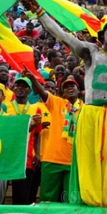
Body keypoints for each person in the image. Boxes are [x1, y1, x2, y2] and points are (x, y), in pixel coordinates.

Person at [27, 0, 107, 208]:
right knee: (88, 160)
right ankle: (88, 202)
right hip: (90, 114)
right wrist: (40, 13)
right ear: (102, 33)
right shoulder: (90, 52)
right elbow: (62, 36)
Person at [22, 69, 82, 203]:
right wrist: (32, 78)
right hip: (52, 160)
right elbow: (42, 92)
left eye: (73, 86)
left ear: (79, 90)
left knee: (70, 200)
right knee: (48, 199)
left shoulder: (85, 108)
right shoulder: (56, 103)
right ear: (62, 92)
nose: (70, 88)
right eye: (66, 87)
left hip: (74, 162)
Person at [7, 77, 49, 205]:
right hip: (8, 156)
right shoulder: (5, 107)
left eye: (24, 87)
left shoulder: (35, 109)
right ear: (13, 88)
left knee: (23, 195)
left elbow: (37, 134)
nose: (20, 88)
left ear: (29, 90)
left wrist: (37, 153)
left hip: (27, 158)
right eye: (18, 86)